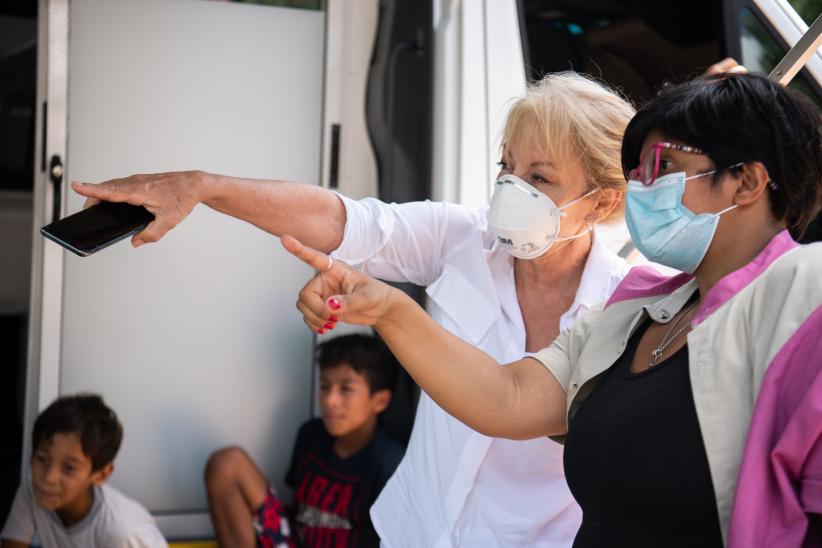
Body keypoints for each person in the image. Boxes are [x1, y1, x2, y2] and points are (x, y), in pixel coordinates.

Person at [72, 72, 635, 546]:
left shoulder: (628, 303)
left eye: (538, 178)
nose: (511, 189)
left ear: (603, 202)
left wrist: (386, 309)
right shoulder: (465, 239)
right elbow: (348, 221)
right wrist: (205, 188)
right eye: (506, 167)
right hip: (416, 530)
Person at [283, 72, 822, 548]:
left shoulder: (805, 300)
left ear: (747, 181)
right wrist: (389, 310)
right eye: (638, 171)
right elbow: (507, 397)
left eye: (664, 165)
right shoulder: (636, 310)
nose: (641, 188)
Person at [205, 334, 403, 548]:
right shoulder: (311, 435)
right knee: (226, 463)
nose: (330, 400)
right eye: (325, 386)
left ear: (380, 401)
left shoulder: (388, 462)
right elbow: (297, 509)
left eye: (346, 389)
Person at [0, 394, 167, 548]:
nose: (49, 477)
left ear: (102, 474)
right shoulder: (33, 492)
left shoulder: (122, 532)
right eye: (42, 459)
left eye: (69, 468)